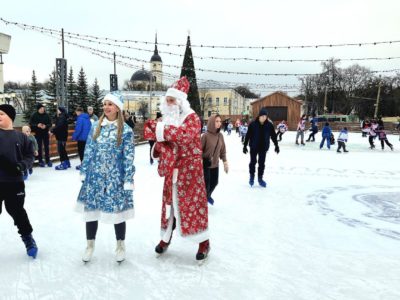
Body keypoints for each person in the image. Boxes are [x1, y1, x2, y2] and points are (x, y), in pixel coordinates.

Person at [143, 76, 210, 263]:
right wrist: (157, 147)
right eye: (167, 100)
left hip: (190, 174)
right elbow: (164, 143)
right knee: (169, 207)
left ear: (180, 101)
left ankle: (204, 242)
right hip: (171, 173)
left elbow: (184, 137)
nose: (168, 103)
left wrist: (160, 130)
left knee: (193, 207)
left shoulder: (192, 118)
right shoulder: (167, 121)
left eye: (171, 100)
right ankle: (166, 238)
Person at [76, 93, 135, 263]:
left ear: (117, 108)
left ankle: (120, 245)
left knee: (118, 211)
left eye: (110, 104)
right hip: (95, 176)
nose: (106, 107)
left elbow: (128, 157)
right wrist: (85, 171)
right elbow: (88, 151)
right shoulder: (96, 126)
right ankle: (90, 245)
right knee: (91, 211)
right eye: (104, 104)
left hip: (115, 177)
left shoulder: (126, 131)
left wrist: (128, 179)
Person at [0, 104, 38, 258]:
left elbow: (30, 156)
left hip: (14, 182)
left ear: (10, 116)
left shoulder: (21, 137)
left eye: (1, 113)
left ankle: (28, 239)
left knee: (18, 213)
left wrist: (21, 166)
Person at [243, 108, 279, 187]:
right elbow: (248, 135)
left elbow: (273, 136)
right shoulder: (253, 124)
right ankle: (252, 177)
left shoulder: (269, 125)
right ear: (259, 116)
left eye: (265, 116)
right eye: (262, 116)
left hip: (263, 147)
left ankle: (260, 178)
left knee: (261, 163)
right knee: (253, 162)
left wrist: (276, 145)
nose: (264, 117)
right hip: (254, 146)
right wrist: (245, 146)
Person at [201, 114, 228, 205]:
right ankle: (204, 200)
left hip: (215, 164)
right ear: (212, 122)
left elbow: (223, 150)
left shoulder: (220, 136)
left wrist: (225, 162)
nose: (219, 123)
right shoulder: (205, 136)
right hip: (206, 165)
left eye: (220, 121)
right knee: (206, 185)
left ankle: (206, 196)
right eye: (217, 121)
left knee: (215, 182)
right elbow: (199, 151)